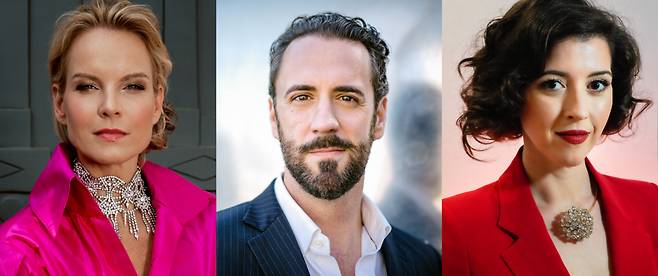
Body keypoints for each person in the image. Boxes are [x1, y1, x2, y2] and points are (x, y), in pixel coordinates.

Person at [0, 1, 215, 275]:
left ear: (157, 102)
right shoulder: (17, 251)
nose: (110, 106)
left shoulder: (209, 221)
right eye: (88, 86)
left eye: (133, 86)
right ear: (59, 102)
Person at [442, 0, 657, 275]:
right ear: (514, 92)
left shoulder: (651, 204)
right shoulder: (457, 226)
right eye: (553, 84)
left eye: (597, 84)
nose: (578, 110)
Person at [217, 12, 440, 276]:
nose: (324, 122)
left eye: (347, 97)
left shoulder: (425, 263)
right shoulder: (213, 248)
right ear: (274, 118)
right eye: (302, 97)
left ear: (379, 118)